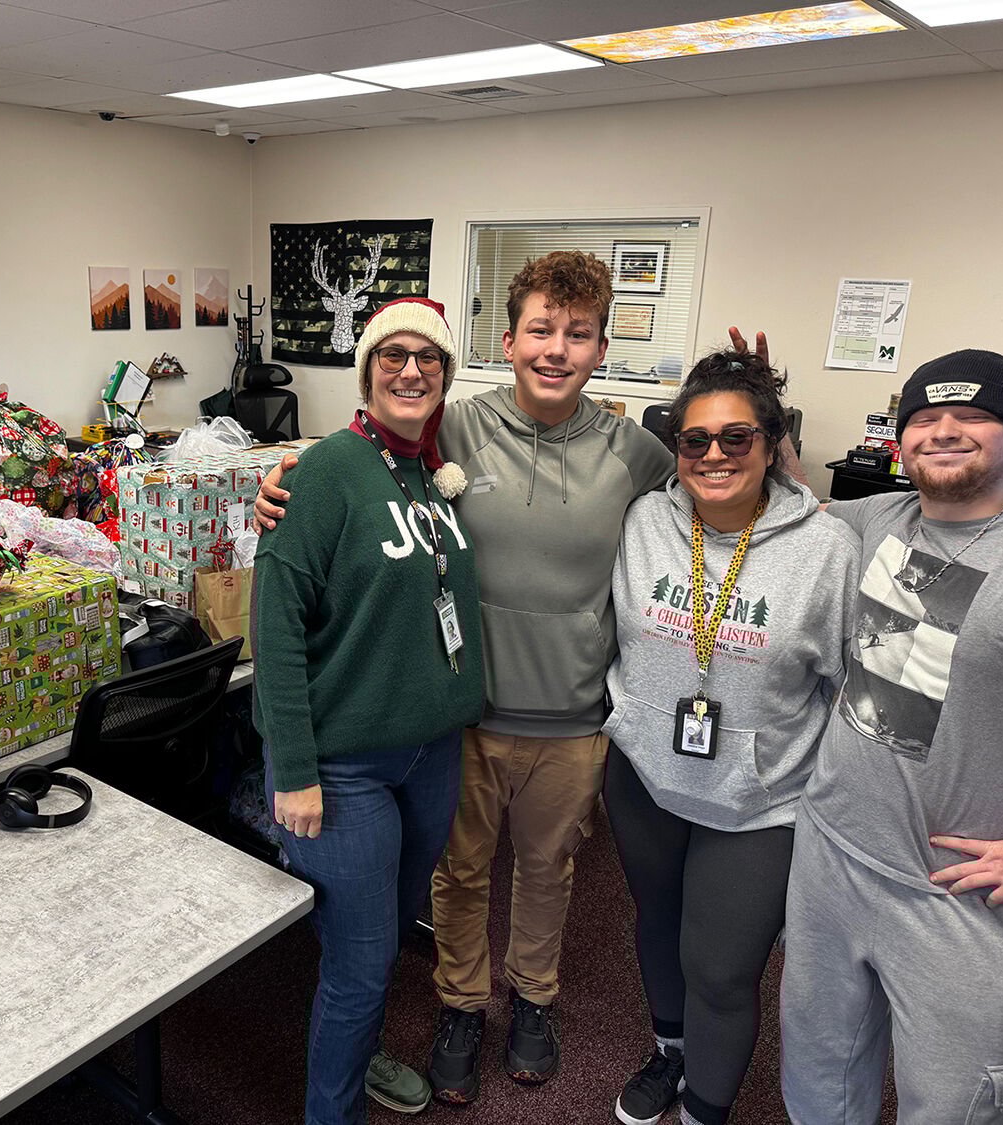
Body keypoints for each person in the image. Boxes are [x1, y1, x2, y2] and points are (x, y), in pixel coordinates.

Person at [258, 250, 678, 1102]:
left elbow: (718, 488)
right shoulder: (456, 424)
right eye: (540, 330)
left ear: (601, 349)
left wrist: (781, 470)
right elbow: (369, 444)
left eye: (578, 334)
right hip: (464, 719)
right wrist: (283, 481)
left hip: (567, 719)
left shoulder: (636, 451)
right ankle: (459, 1005)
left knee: (548, 872)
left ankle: (533, 1000)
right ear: (508, 343)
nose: (556, 349)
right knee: (458, 876)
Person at [779, 350, 1003, 1124]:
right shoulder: (877, 518)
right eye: (925, 417)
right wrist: (765, 403)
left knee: (955, 1104)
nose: (944, 430)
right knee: (820, 1077)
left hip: (955, 889)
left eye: (973, 415)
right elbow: (792, 500)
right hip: (830, 855)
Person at [601, 351, 859, 1125]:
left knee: (718, 968)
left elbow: (849, 686)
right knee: (657, 922)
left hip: (758, 798)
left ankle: (703, 1110)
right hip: (644, 775)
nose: (713, 454)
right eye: (695, 439)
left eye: (736, 437)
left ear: (772, 445)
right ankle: (671, 1050)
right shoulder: (644, 520)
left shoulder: (827, 548)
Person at [252, 296, 485, 1125]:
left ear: (445, 377)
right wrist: (295, 768)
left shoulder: (432, 473)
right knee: (360, 961)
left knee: (381, 940)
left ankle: (360, 1050)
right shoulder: (321, 473)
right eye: (393, 356)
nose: (410, 370)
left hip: (430, 756)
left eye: (428, 358)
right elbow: (275, 626)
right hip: (342, 764)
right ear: (367, 372)